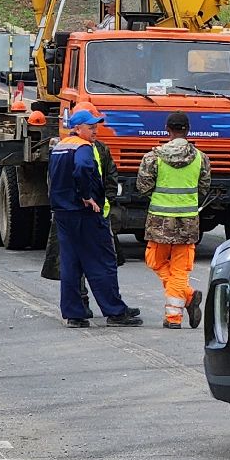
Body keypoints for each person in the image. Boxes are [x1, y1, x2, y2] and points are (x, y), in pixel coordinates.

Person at [48, 108, 141, 328]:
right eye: (90, 128)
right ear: (77, 128)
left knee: (71, 264)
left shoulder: (60, 147)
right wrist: (86, 196)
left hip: (63, 213)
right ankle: (115, 312)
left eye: (96, 127)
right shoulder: (83, 147)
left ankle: (74, 315)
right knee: (101, 262)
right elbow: (82, 168)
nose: (95, 131)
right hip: (86, 214)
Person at [136, 111, 211, 329]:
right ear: (188, 130)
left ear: (167, 130)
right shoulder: (200, 157)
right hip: (188, 221)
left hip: (159, 220)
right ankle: (185, 298)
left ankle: (175, 316)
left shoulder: (153, 157)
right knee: (180, 269)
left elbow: (143, 187)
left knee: (154, 260)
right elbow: (204, 187)